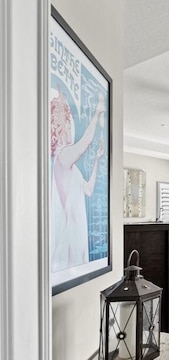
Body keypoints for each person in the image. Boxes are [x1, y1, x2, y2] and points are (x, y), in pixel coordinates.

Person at [50, 88, 105, 272]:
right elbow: (84, 143)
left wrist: (97, 160)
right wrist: (97, 114)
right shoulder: (62, 157)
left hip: (77, 239)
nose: (68, 129)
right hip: (69, 243)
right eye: (65, 124)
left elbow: (88, 189)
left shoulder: (73, 169)